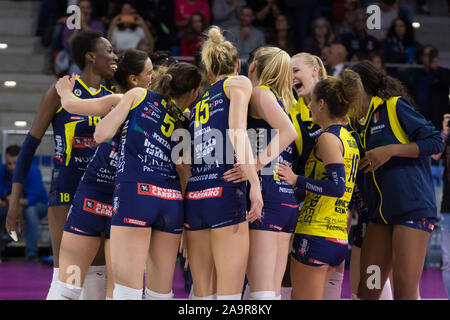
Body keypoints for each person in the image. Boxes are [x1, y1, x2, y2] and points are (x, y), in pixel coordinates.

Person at [6, 30, 118, 300]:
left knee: (97, 274)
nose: (115, 56)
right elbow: (29, 146)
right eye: (109, 51)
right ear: (91, 56)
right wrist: (14, 202)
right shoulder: (61, 91)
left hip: (102, 191)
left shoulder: (111, 95)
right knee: (66, 276)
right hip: (67, 189)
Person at [49, 49, 154, 300]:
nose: (154, 76)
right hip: (124, 202)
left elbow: (71, 105)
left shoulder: (119, 100)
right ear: (134, 80)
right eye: (149, 72)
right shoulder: (148, 105)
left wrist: (64, 92)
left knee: (69, 285)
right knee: (115, 288)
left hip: (96, 193)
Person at [93, 62, 201, 300]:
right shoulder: (184, 121)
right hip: (171, 203)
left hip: (136, 195)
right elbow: (184, 172)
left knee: (126, 290)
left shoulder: (140, 94)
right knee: (160, 293)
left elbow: (101, 134)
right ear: (193, 93)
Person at [348, 60, 444, 300]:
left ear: (363, 86)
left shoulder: (394, 106)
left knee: (404, 292)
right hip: (379, 216)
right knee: (367, 291)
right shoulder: (356, 123)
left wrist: (391, 149)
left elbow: (435, 142)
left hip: (411, 211)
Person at [184, 26, 263, 300]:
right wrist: (255, 183)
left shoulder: (197, 102)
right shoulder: (238, 83)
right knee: (229, 296)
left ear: (208, 71)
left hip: (196, 195)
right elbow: (237, 130)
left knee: (203, 296)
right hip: (224, 189)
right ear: (238, 64)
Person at [276, 69, 364, 300]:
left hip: (316, 234)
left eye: (312, 102)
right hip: (335, 237)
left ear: (322, 103)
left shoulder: (328, 138)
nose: (309, 107)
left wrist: (297, 179)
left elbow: (337, 188)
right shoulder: (349, 138)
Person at [224, 46, 297, 300]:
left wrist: (251, 166)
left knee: (262, 293)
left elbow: (290, 133)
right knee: (272, 292)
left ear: (253, 66)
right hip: (284, 198)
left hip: (268, 193)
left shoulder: (260, 93)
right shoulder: (281, 99)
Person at [0, 145, 48, 262]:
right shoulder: (1, 170)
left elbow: (32, 198)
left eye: (15, 163)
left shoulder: (33, 171)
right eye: (9, 163)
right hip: (11, 205)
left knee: (29, 211)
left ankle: (31, 254)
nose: (12, 167)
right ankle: (2, 247)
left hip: (38, 205)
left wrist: (14, 201)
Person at [61, 0, 106, 76]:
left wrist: (84, 24)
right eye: (82, 8)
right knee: (75, 73)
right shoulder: (69, 26)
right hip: (76, 63)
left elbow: (98, 43)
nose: (85, 10)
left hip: (95, 62)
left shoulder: (98, 24)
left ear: (91, 10)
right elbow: (67, 46)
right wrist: (77, 26)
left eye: (87, 8)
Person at [436, 113, 450, 299]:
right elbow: (435, 153)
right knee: (448, 263)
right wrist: (444, 131)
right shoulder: (447, 136)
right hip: (448, 207)